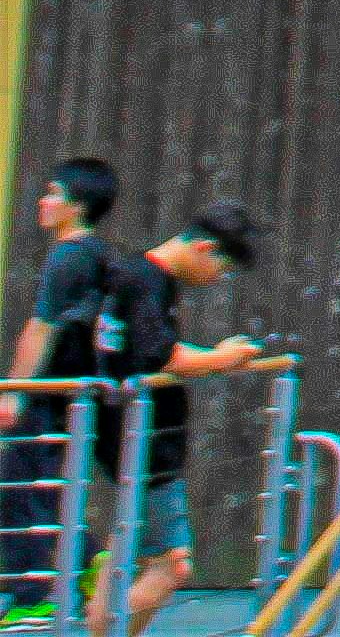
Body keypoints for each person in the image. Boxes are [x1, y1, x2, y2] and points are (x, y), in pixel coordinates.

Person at [66, 207, 256, 636]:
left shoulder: (140, 277)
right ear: (205, 248)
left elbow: (144, 348)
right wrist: (221, 358)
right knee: (172, 565)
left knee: (125, 552)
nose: (217, 278)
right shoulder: (145, 281)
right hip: (143, 443)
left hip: (133, 436)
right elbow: (160, 355)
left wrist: (212, 358)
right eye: (222, 268)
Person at [0, 165, 115, 632]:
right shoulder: (96, 255)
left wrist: (14, 391)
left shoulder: (69, 257)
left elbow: (40, 329)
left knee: (17, 497)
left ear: (78, 205)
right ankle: (94, 562)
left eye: (53, 194)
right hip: (74, 397)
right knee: (40, 494)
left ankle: (32, 597)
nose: (43, 203)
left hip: (50, 396)